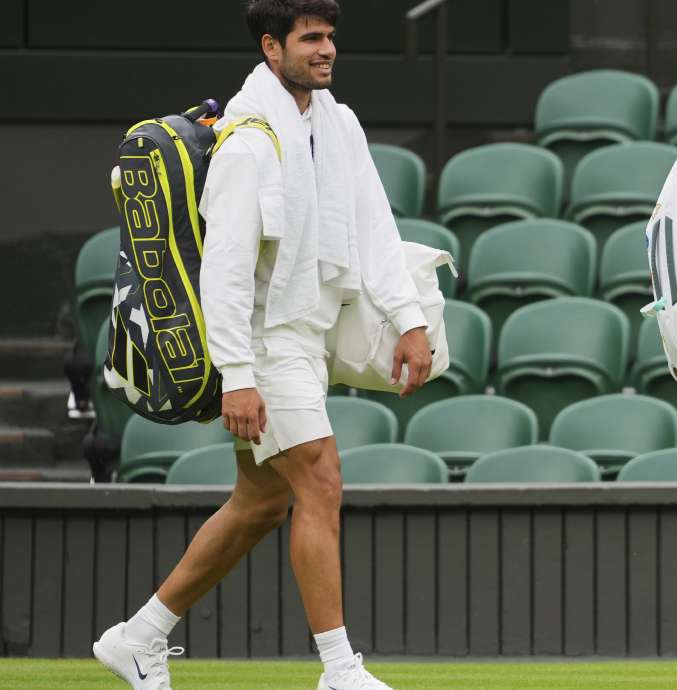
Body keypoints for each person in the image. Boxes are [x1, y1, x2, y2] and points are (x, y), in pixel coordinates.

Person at [92, 2, 430, 688]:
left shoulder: (340, 124)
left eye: (330, 36)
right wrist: (238, 376)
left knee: (260, 504)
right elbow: (223, 268)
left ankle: (139, 636)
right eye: (311, 38)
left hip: (305, 337)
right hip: (262, 342)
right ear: (273, 48)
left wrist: (412, 317)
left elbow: (375, 225)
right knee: (321, 481)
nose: (327, 49)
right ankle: (339, 669)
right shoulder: (246, 142)